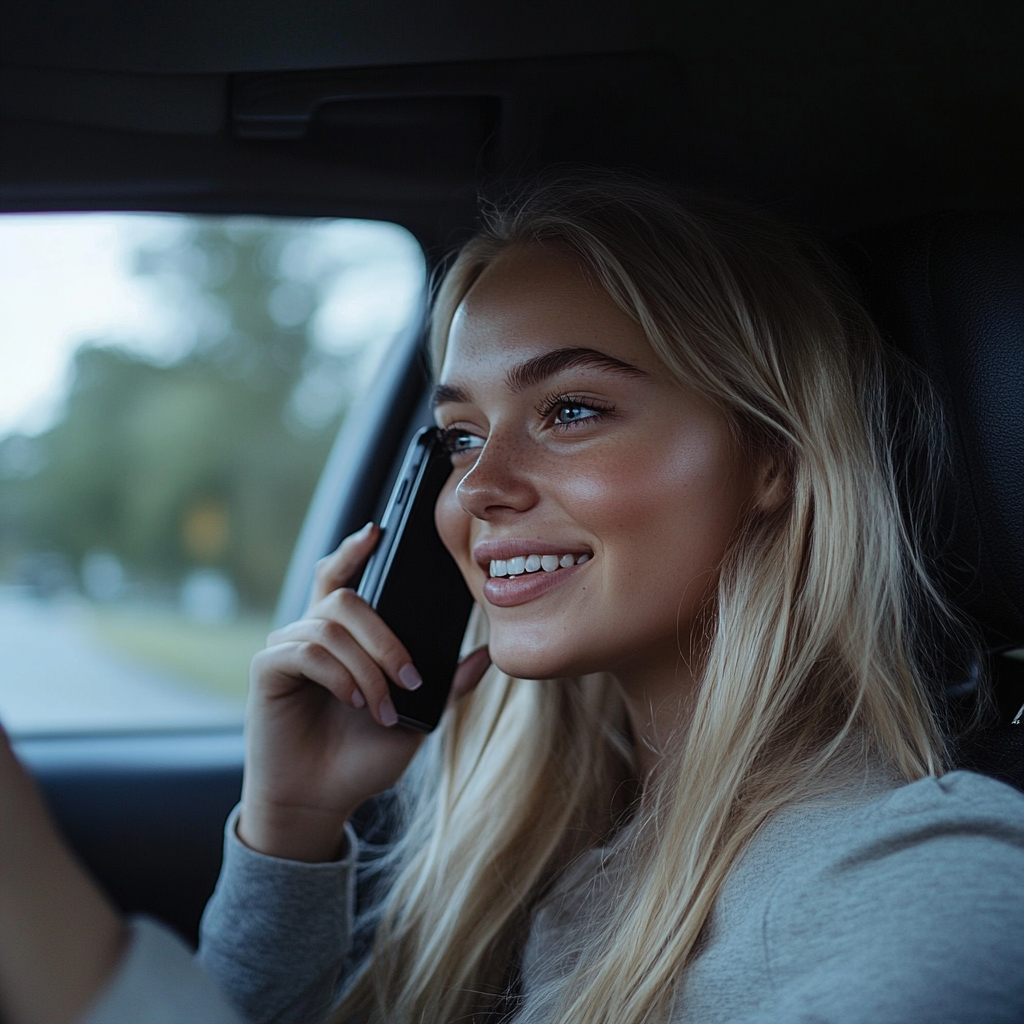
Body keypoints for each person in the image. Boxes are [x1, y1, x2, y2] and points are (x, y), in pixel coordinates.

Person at [2, 172, 1023, 1024]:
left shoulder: (926, 882)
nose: (478, 487)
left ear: (777, 456)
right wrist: (292, 822)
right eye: (457, 437)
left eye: (571, 409)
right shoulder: (567, 850)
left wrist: (54, 934)